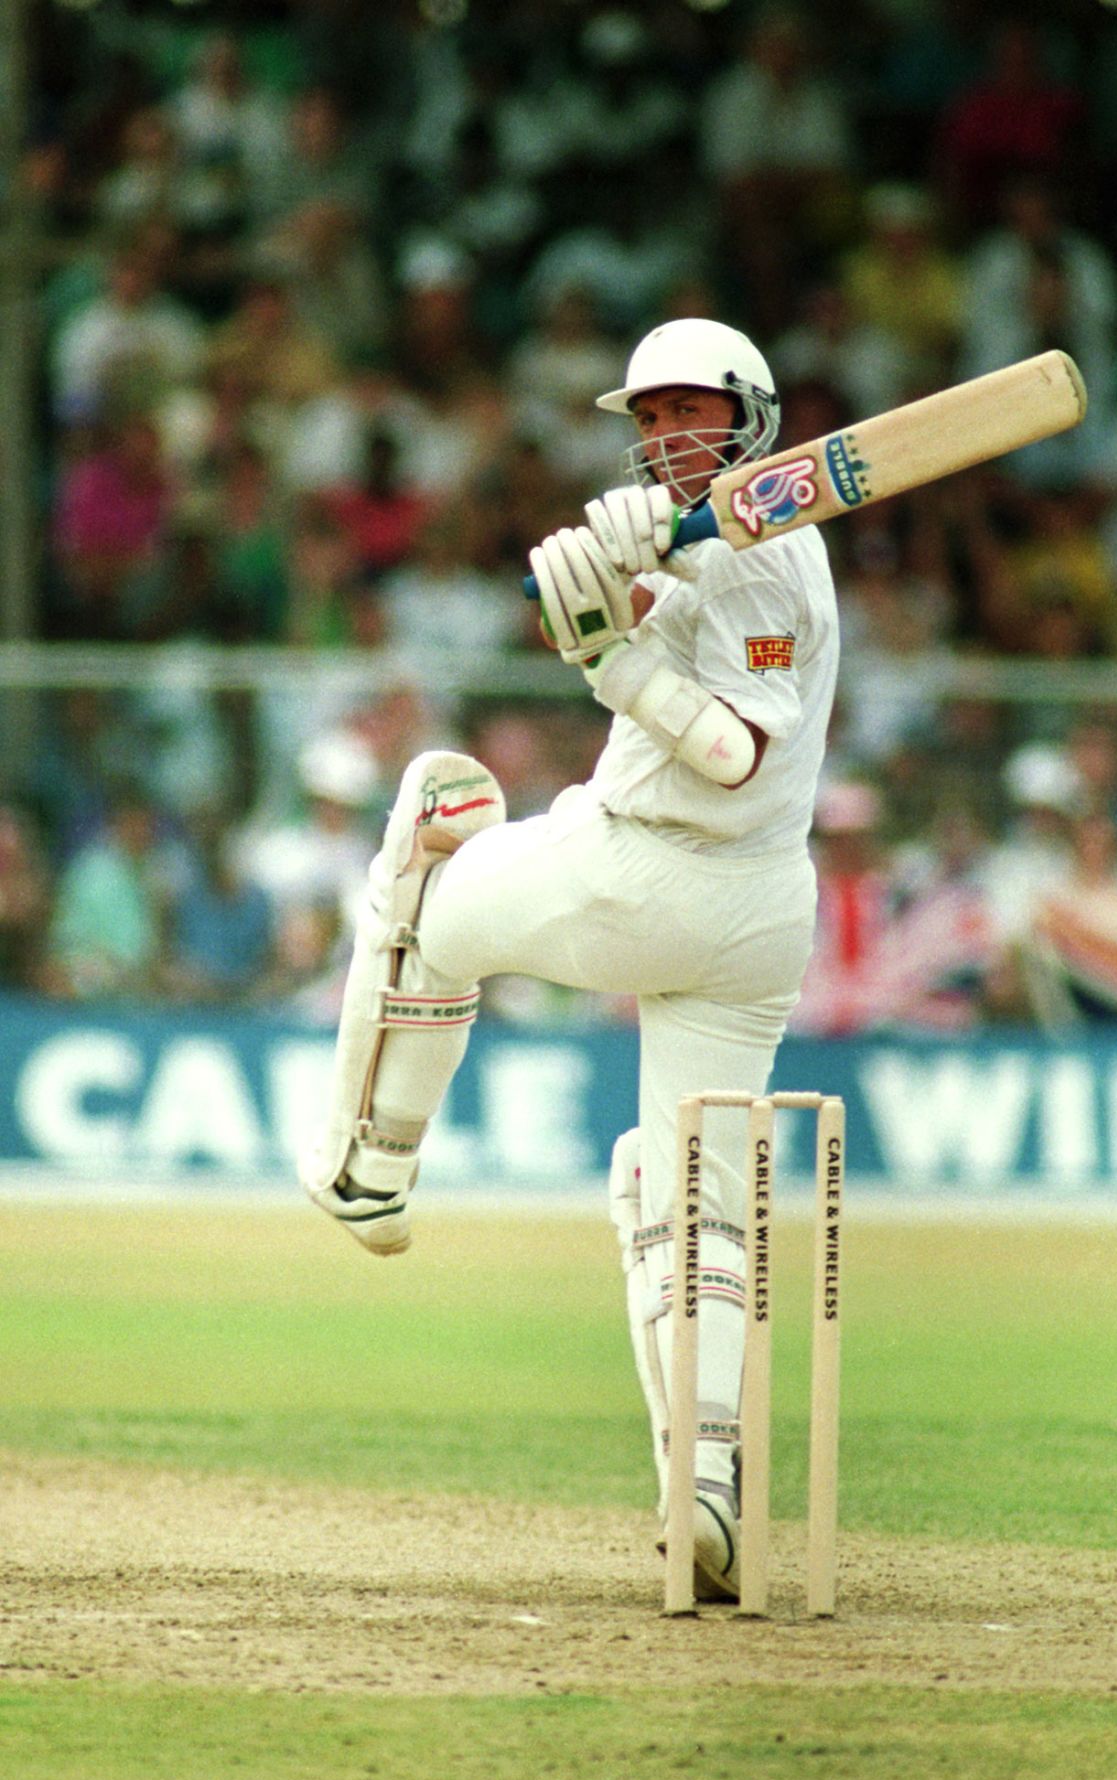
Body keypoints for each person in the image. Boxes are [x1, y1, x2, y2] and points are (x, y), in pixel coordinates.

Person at [300, 317, 840, 1606]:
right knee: (689, 1198)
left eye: (689, 413)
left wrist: (610, 659)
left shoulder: (769, 559)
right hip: (761, 921)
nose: (666, 438)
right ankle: (709, 1498)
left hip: (646, 870)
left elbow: (731, 754)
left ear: (750, 416)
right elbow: (675, 615)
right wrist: (624, 587)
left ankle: (368, 1164)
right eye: (647, 419)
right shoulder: (718, 539)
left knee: (438, 815)